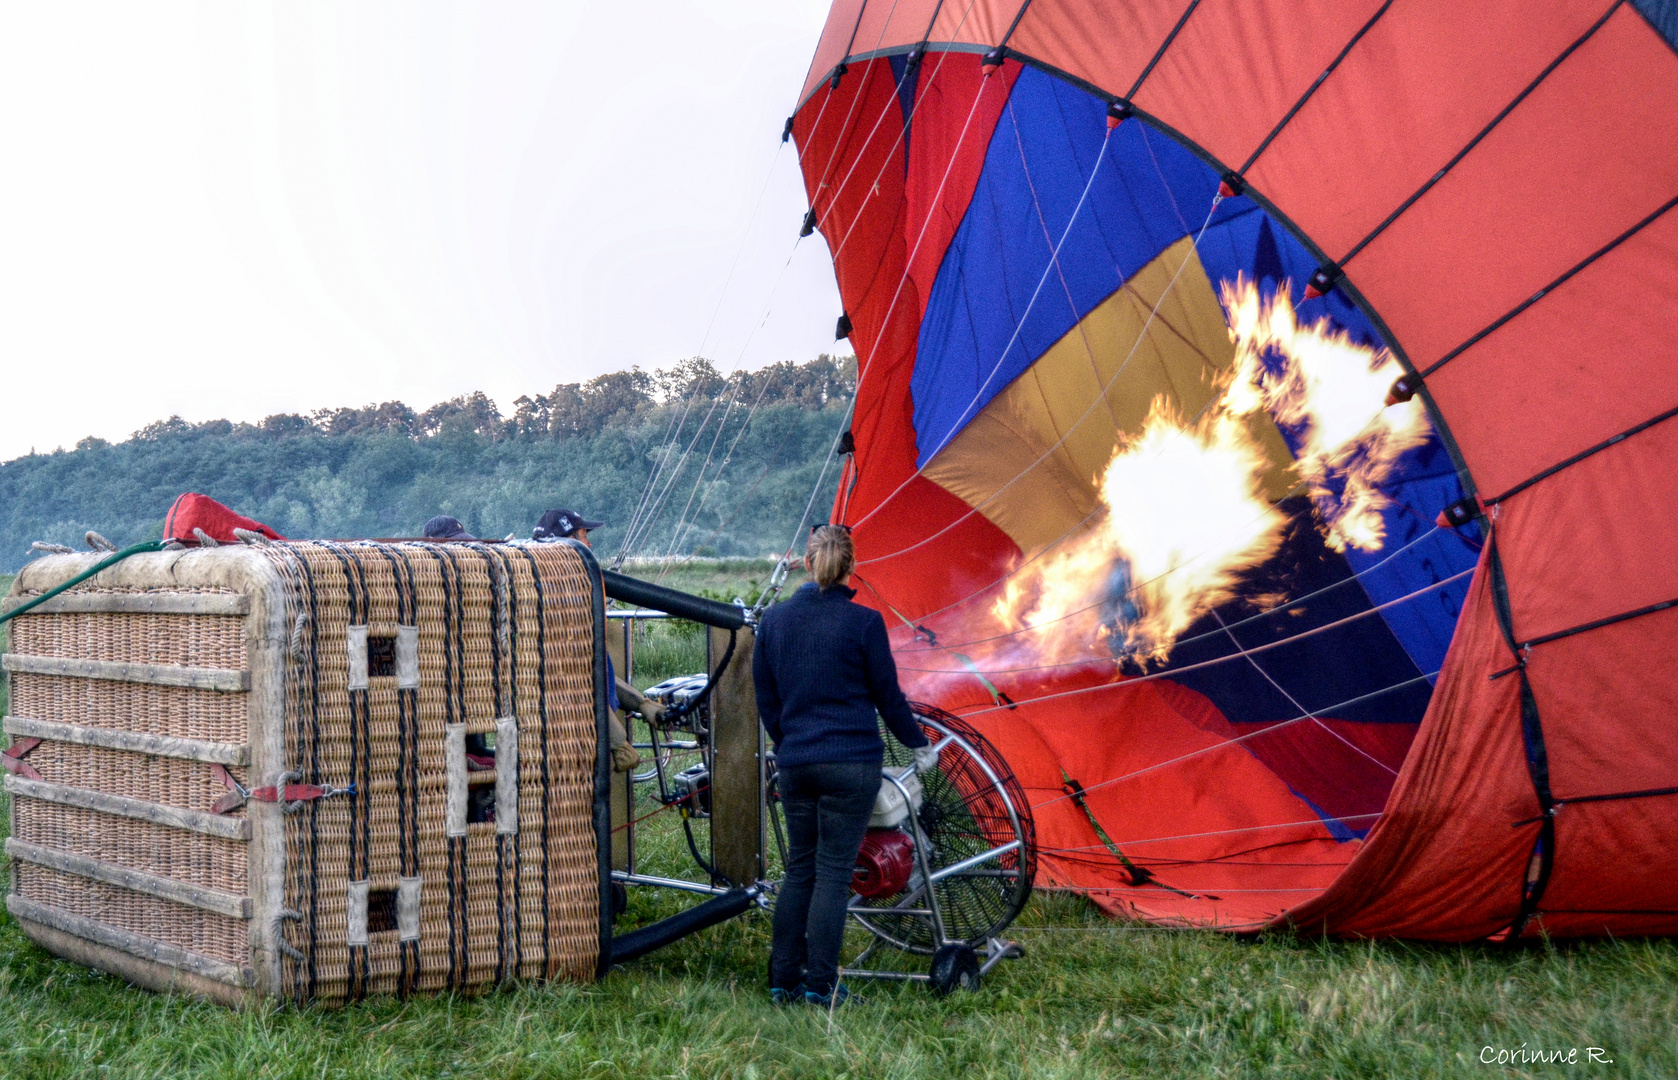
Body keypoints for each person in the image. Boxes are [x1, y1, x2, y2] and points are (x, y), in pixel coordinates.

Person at [753, 524, 938, 1008]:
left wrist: (791, 742)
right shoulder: (864, 624)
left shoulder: (773, 622)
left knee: (800, 871)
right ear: (850, 566)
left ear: (808, 562)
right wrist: (918, 744)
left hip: (796, 763)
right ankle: (820, 987)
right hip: (851, 764)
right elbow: (888, 699)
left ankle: (782, 982)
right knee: (834, 874)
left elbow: (767, 701)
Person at [530, 506, 651, 771]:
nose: (589, 542)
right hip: (574, 745)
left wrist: (642, 703)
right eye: (584, 535)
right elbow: (576, 684)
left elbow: (596, 670)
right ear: (567, 542)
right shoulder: (557, 603)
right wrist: (618, 740)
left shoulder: (572, 590)